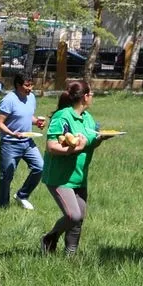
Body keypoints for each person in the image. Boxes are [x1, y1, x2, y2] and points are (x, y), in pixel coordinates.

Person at [40, 81, 110, 255]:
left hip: (79, 176)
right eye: (91, 94)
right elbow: (51, 146)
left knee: (78, 220)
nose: (92, 97)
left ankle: (70, 257)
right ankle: (49, 238)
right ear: (85, 97)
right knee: (74, 215)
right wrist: (75, 148)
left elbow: (90, 143)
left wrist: (100, 139)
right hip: (60, 177)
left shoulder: (87, 118)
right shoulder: (62, 116)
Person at [0, 74, 45, 209]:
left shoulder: (31, 97)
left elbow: (27, 116)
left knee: (40, 167)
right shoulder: (9, 100)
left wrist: (37, 122)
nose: (30, 88)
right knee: (7, 176)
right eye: (27, 85)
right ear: (18, 85)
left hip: (28, 142)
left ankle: (22, 195)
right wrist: (12, 133)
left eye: (31, 85)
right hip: (10, 144)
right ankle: (3, 206)